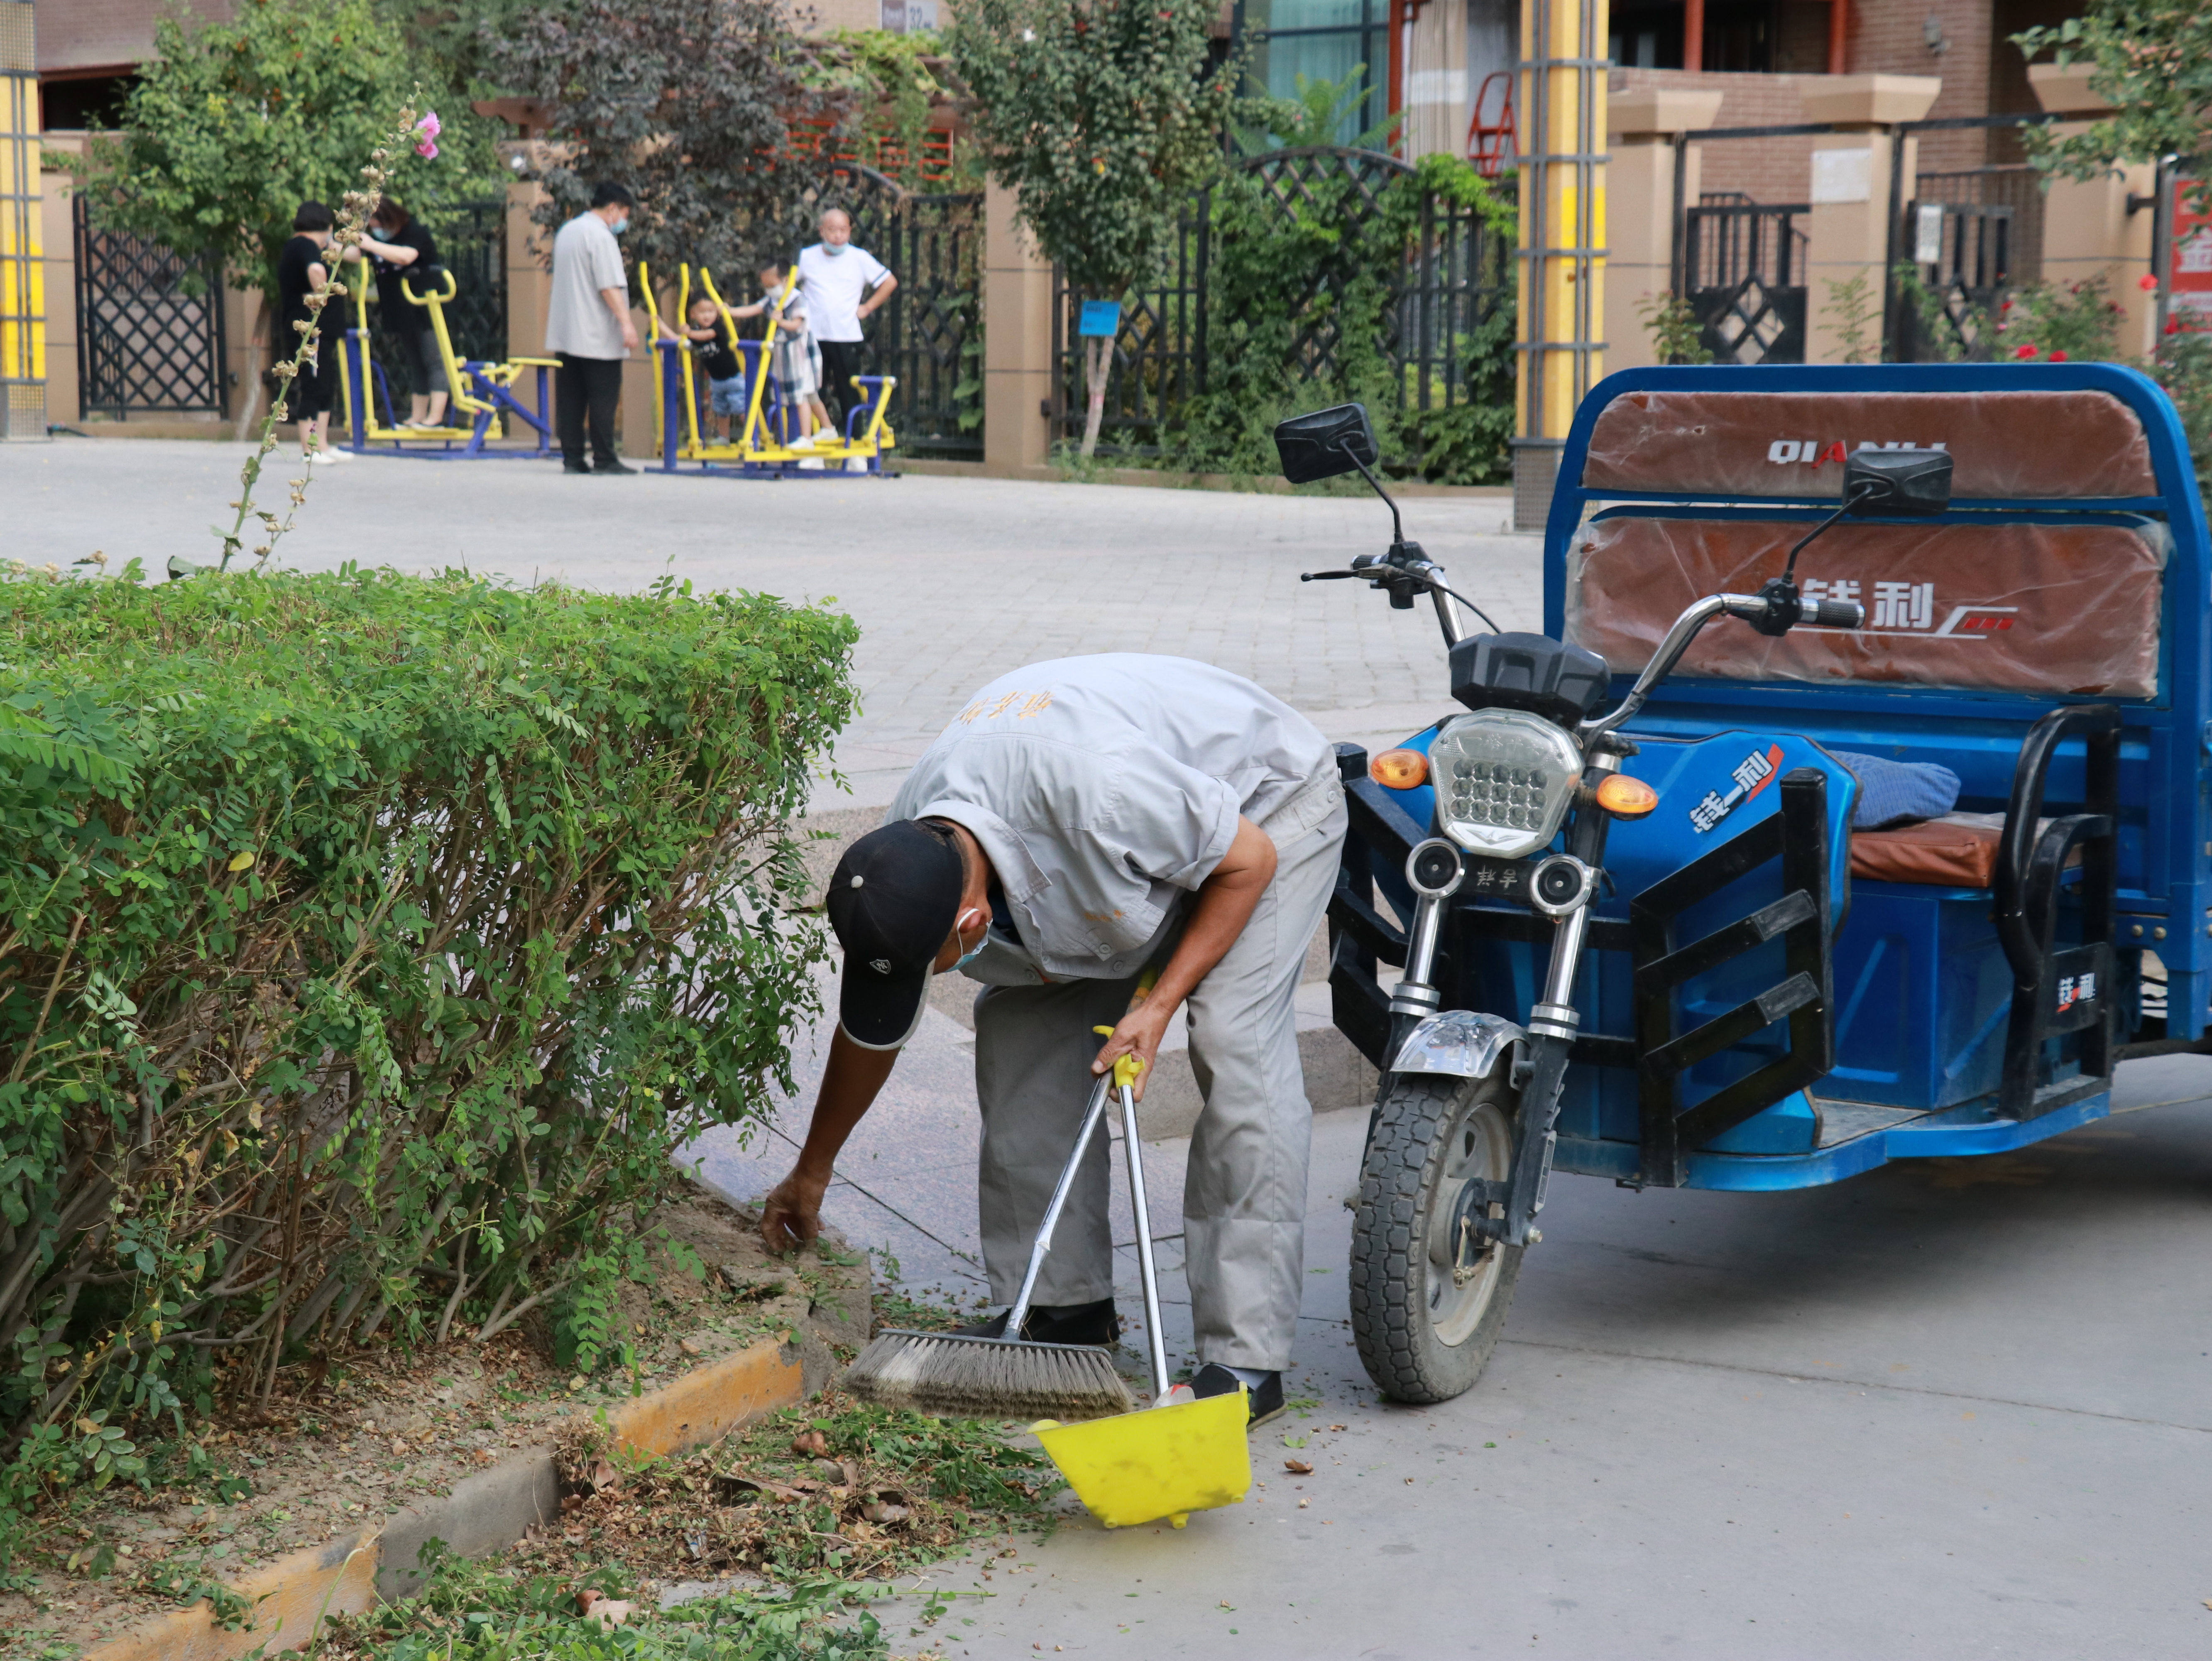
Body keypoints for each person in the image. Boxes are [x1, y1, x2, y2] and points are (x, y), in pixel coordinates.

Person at [758, 654, 1348, 1426]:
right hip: (1116, 848)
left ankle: (1245, 1359)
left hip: (1265, 810)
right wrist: (813, 1169)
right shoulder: (901, 858)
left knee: (1234, 1040)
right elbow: (872, 1036)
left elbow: (1247, 863)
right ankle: (1063, 1310)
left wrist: (1158, 1005)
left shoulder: (1100, 793)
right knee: (1021, 1031)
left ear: (972, 921)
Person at [546, 181, 639, 476]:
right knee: (603, 397)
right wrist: (626, 323)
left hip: (567, 330)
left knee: (572, 398)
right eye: (624, 214)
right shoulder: (600, 237)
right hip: (597, 332)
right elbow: (608, 285)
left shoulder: (568, 231)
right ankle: (604, 458)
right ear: (613, 208)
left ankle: (573, 458)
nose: (623, 221)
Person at [795, 207, 896, 469]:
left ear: (850, 231)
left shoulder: (859, 258)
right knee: (811, 392)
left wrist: (868, 307)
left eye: (843, 230)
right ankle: (812, 452)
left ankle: (855, 454)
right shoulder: (807, 257)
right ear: (822, 231)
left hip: (846, 336)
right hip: (813, 336)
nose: (838, 236)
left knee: (848, 392)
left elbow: (889, 282)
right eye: (832, 230)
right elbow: (789, 287)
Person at [358, 199, 450, 429]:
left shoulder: (414, 232)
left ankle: (435, 416)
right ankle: (417, 416)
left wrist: (372, 245)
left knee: (434, 359)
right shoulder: (378, 241)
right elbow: (357, 254)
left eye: (377, 223)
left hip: (426, 305)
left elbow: (406, 257)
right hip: (401, 307)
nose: (376, 229)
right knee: (415, 361)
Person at [727, 261, 830, 453]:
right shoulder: (772, 300)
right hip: (786, 355)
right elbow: (753, 309)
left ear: (786, 281)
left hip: (801, 354)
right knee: (809, 395)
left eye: (772, 285)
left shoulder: (797, 299)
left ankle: (806, 438)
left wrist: (780, 321)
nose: (769, 290)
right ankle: (828, 428)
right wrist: (730, 311)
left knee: (801, 396)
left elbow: (797, 325)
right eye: (766, 286)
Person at [275, 201, 347, 465]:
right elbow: (315, 270)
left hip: (320, 332)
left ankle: (322, 444)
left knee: (325, 384)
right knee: (314, 385)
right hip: (310, 330)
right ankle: (310, 449)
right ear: (327, 226)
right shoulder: (305, 245)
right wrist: (323, 295)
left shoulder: (298, 246)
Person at [657, 296, 747, 442]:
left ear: (717, 313)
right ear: (693, 315)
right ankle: (724, 437)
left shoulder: (718, 327)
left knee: (742, 407)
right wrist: (661, 325)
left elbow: (708, 335)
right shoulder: (696, 332)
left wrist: (689, 333)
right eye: (702, 312)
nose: (707, 316)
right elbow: (678, 340)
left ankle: (752, 436)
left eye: (711, 312)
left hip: (733, 378)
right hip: (716, 380)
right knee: (721, 410)